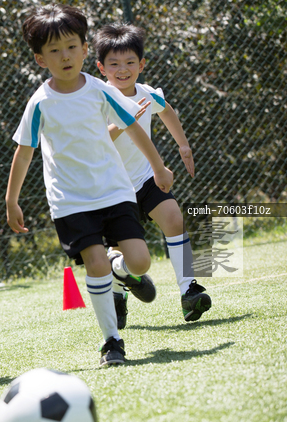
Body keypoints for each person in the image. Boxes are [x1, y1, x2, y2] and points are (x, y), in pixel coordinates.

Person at [6, 4, 174, 367]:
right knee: (95, 263)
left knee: (141, 261)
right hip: (71, 201)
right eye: (54, 50)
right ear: (40, 59)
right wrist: (11, 200)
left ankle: (121, 268)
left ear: (85, 49)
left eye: (71, 46)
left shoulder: (100, 90)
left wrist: (158, 167)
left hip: (115, 191)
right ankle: (112, 341)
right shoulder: (40, 103)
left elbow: (132, 127)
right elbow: (24, 152)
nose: (65, 56)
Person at [93, 23, 211, 327]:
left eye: (130, 62)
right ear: (101, 67)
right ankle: (118, 293)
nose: (123, 69)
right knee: (121, 251)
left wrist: (183, 145)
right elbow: (96, 141)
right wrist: (125, 120)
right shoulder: (98, 98)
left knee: (173, 218)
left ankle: (189, 291)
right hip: (112, 188)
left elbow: (166, 110)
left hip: (146, 178)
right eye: (114, 64)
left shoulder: (146, 93)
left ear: (141, 64)